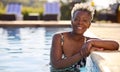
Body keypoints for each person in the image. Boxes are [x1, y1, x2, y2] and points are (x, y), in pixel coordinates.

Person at [50, 3, 119, 72]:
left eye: (85, 20)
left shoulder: (87, 41)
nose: (80, 22)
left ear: (89, 25)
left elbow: (115, 45)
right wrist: (81, 54)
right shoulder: (59, 38)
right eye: (76, 19)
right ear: (71, 21)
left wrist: (91, 42)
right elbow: (56, 64)